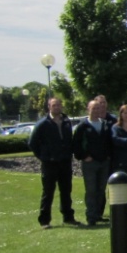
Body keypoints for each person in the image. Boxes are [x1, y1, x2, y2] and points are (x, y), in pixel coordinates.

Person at [29, 97, 79, 228]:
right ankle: (44, 220)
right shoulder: (43, 123)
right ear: (49, 107)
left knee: (66, 191)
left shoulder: (66, 121)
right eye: (54, 105)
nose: (57, 107)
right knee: (48, 192)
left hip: (65, 162)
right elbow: (32, 143)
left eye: (58, 105)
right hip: (49, 163)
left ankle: (68, 217)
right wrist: (43, 156)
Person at [71, 99, 111, 226]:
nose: (96, 110)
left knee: (101, 189)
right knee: (91, 190)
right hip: (90, 163)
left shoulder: (104, 124)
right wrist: (83, 156)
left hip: (104, 162)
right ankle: (91, 216)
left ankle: (99, 214)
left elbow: (109, 142)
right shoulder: (83, 125)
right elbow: (76, 144)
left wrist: (108, 156)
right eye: (93, 108)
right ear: (88, 109)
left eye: (98, 108)